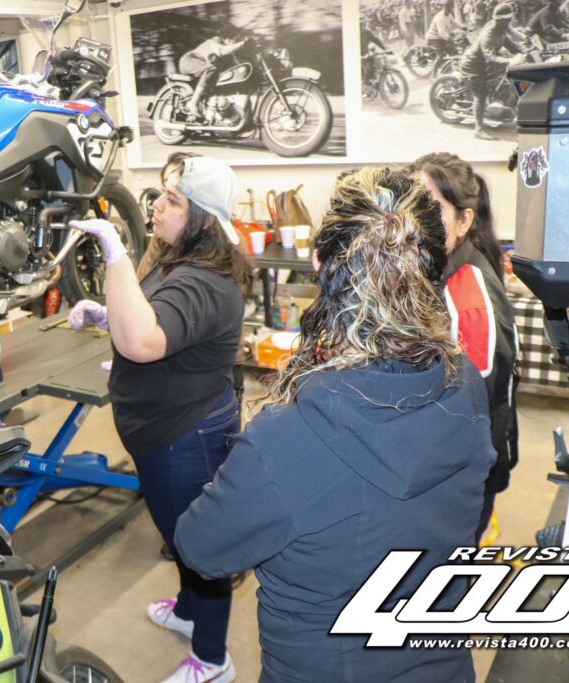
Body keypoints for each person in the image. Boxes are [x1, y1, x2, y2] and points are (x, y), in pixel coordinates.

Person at [175, 167, 495, 683]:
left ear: (319, 265)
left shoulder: (285, 438)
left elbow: (200, 547)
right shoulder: (465, 383)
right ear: (434, 268)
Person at [67, 156, 252, 683]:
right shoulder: (182, 263)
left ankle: (212, 659)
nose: (157, 207)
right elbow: (157, 319)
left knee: (198, 545)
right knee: (179, 532)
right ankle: (190, 612)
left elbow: (145, 342)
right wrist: (111, 314)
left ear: (203, 217)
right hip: (167, 429)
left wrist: (116, 258)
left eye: (173, 201)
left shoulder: (203, 280)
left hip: (185, 435)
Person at [411, 152, 519, 542]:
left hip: (463, 470)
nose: (417, 219)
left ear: (464, 220)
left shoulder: (469, 299)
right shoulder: (436, 267)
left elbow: (469, 408)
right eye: (412, 205)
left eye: (434, 208)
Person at [459, 2, 532, 139]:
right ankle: (479, 129)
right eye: (508, 20)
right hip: (473, 65)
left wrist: (527, 52)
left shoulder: (501, 31)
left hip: (483, 65)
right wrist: (510, 61)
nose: (510, 22)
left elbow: (512, 46)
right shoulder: (489, 34)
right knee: (480, 95)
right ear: (500, 20)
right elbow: (490, 58)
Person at [178, 35, 249, 119]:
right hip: (188, 61)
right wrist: (243, 43)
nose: (236, 43)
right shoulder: (213, 42)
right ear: (226, 38)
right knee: (211, 69)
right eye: (235, 40)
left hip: (201, 69)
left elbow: (237, 67)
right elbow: (220, 51)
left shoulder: (229, 55)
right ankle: (193, 103)